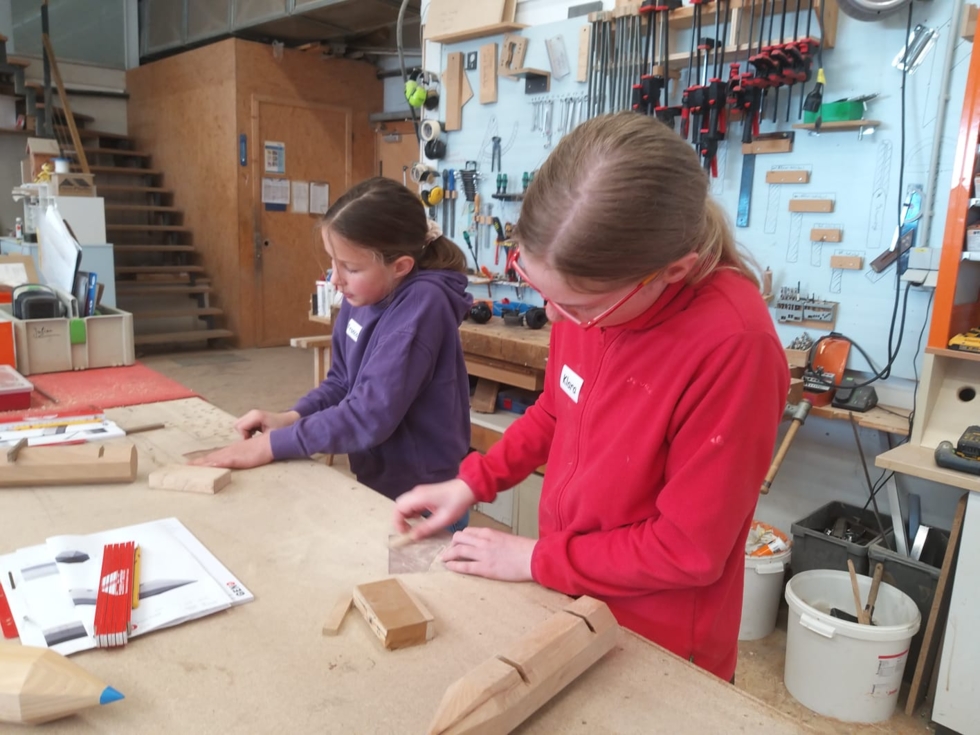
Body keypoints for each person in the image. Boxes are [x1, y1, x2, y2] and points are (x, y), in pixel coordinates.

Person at [392, 112, 789, 682]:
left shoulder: (735, 348)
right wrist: (471, 482)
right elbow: (558, 407)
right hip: (571, 596)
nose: (555, 316)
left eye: (576, 307)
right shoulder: (591, 292)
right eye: (535, 284)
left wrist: (534, 559)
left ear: (669, 272)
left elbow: (689, 549)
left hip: (660, 641)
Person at [195, 177, 474, 511]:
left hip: (426, 492)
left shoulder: (422, 305)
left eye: (350, 267)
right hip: (381, 479)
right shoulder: (364, 295)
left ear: (400, 266)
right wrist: (291, 418)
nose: (335, 278)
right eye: (332, 260)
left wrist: (273, 445)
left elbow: (369, 413)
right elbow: (342, 382)